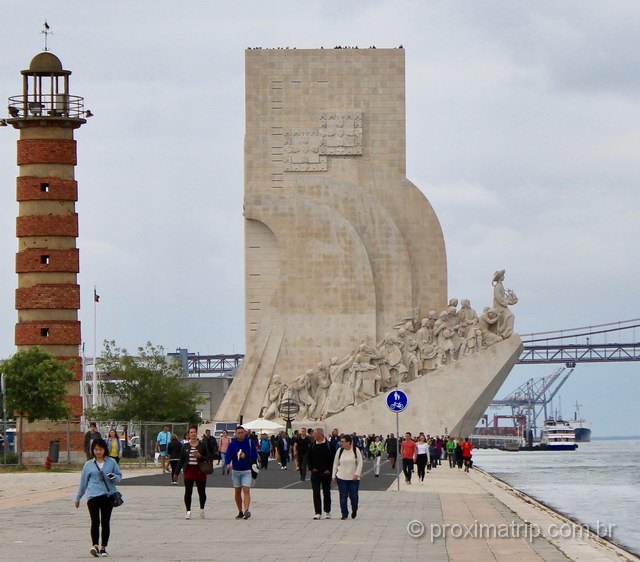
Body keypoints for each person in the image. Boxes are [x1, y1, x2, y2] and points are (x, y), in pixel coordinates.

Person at [75, 438, 122, 557]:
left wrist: (113, 477)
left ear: (104, 450)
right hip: (93, 496)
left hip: (107, 495)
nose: (98, 452)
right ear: (93, 450)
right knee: (95, 521)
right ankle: (95, 545)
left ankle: (103, 547)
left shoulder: (111, 462)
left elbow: (119, 476)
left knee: (105, 522)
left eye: (100, 449)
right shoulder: (88, 465)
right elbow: (83, 482)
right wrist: (78, 497)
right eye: (96, 449)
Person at [176, 425, 212, 519]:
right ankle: (188, 511)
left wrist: (201, 456)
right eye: (191, 432)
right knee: (188, 491)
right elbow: (181, 460)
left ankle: (202, 509)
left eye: (194, 432)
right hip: (189, 470)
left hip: (200, 470)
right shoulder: (185, 446)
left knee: (202, 491)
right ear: (188, 435)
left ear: (197, 433)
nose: (193, 434)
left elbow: (208, 457)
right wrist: (176, 473)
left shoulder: (202, 445)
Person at [225, 426, 257, 520]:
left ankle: (246, 510)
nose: (241, 434)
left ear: (245, 433)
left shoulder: (250, 443)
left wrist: (245, 456)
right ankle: (240, 511)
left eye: (242, 432)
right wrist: (227, 464)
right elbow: (228, 455)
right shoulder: (232, 444)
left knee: (246, 490)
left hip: (247, 470)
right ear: (235, 434)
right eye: (239, 433)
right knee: (237, 491)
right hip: (236, 471)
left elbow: (254, 456)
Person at [332, 434, 363, 519]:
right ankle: (344, 514)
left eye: (343, 441)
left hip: (353, 478)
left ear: (348, 442)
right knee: (343, 496)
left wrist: (357, 474)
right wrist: (333, 475)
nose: (341, 443)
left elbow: (360, 463)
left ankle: (354, 509)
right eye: (341, 441)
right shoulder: (340, 450)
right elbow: (335, 463)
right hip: (341, 477)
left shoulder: (355, 450)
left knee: (354, 496)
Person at [307, 427, 333, 520]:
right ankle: (317, 512)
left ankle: (327, 511)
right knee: (316, 492)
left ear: (320, 435)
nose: (313, 435)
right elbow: (308, 458)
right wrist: (311, 468)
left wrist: (329, 470)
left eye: (315, 434)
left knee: (326, 492)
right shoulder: (312, 445)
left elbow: (333, 459)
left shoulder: (329, 445)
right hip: (316, 473)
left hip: (326, 473)